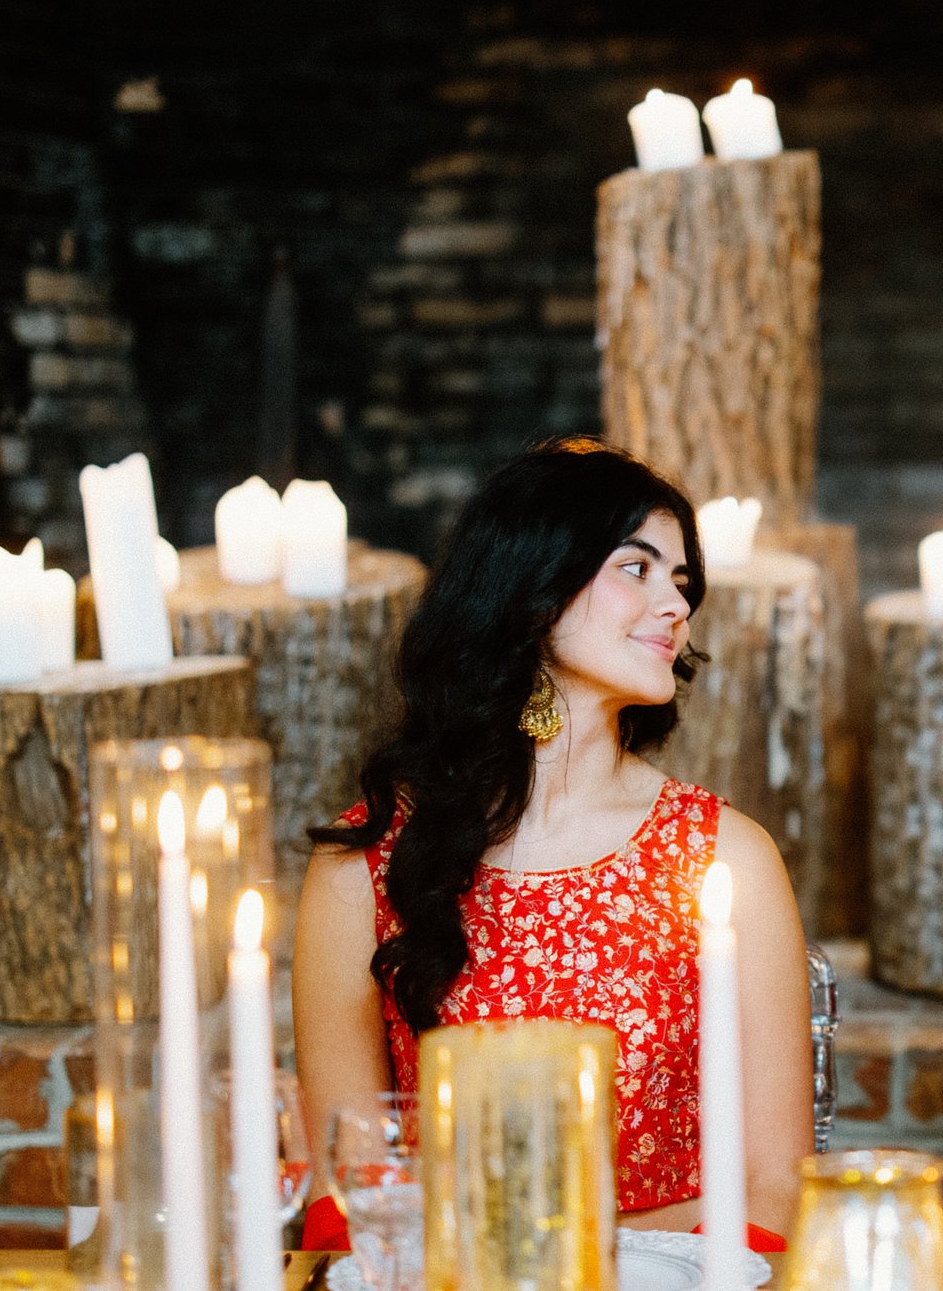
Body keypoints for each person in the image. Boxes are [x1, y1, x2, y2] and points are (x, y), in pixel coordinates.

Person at [293, 438, 812, 1239]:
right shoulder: (362, 866)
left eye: (681, 581)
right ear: (530, 592)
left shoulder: (726, 859)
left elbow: (774, 1190)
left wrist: (566, 1266)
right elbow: (345, 1194)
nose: (677, 606)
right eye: (636, 569)